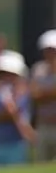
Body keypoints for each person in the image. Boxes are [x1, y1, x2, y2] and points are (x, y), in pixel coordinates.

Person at [0, 51, 35, 167]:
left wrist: (7, 108)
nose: (6, 78)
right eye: (2, 74)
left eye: (9, 74)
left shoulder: (23, 94)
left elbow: (14, 114)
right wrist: (4, 114)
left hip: (16, 144)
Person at [30, 30, 56, 163]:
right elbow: (34, 95)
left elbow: (40, 94)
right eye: (48, 50)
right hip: (43, 125)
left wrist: (44, 94)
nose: (50, 54)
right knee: (42, 162)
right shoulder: (38, 69)